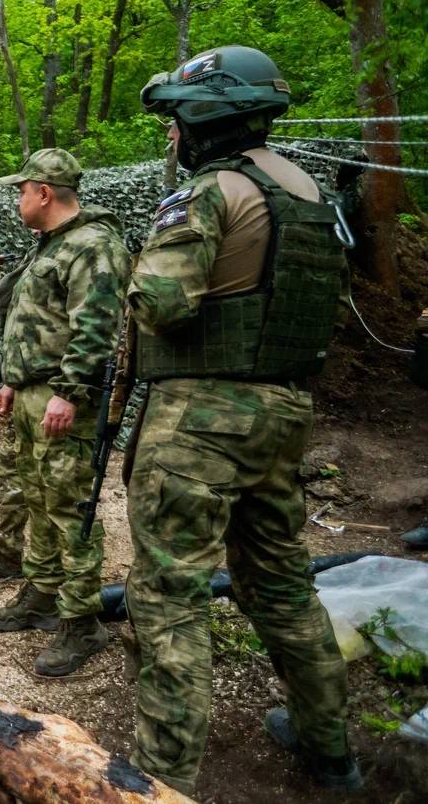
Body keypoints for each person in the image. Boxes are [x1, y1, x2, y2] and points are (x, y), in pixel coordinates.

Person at [127, 45, 359, 794]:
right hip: (284, 412)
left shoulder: (211, 191)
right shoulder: (309, 191)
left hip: (200, 418)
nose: (171, 137)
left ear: (205, 115)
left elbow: (161, 304)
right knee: (283, 582)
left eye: (175, 122)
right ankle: (331, 748)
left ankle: (161, 780)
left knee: (170, 596)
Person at [0, 149, 129, 677]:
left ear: (43, 192)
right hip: (33, 393)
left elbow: (97, 327)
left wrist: (67, 390)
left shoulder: (93, 245)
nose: (18, 199)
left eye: (22, 190)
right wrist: (14, 382)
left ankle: (83, 621)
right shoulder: (52, 245)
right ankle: (41, 593)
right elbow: (33, 322)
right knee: (37, 498)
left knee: (70, 510)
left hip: (66, 399)